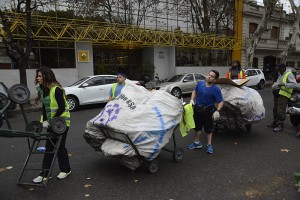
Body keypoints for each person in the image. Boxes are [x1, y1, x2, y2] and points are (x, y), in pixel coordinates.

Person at [33, 67, 71, 183]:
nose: (37, 78)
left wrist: (51, 121)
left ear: (46, 76)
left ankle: (66, 170)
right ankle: (45, 173)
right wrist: (44, 121)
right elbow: (45, 108)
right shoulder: (42, 89)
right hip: (51, 124)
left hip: (61, 124)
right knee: (49, 148)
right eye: (37, 76)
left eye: (40, 76)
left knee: (60, 146)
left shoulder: (56, 90)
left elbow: (62, 108)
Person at [188, 70, 224, 154]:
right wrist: (192, 100)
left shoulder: (216, 89)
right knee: (197, 127)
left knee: (208, 129)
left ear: (215, 80)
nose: (209, 77)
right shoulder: (200, 83)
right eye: (209, 75)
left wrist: (217, 111)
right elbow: (194, 91)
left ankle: (209, 145)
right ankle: (196, 143)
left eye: (212, 76)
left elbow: (221, 101)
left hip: (208, 111)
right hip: (197, 109)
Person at [267, 63, 297, 132]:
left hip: (284, 95)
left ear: (283, 69)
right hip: (277, 94)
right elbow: (278, 83)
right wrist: (274, 86)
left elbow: (294, 84)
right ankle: (275, 122)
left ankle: (280, 125)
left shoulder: (289, 74)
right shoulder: (281, 74)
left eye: (279, 69)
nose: (278, 71)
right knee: (275, 109)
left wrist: (284, 84)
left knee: (281, 110)